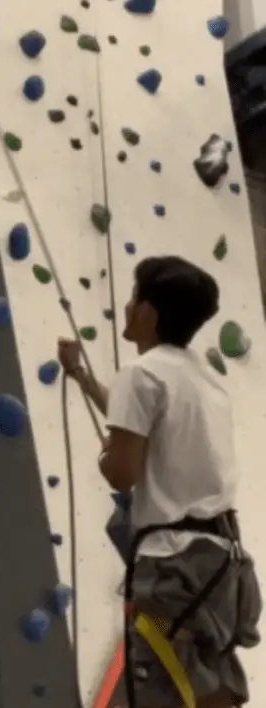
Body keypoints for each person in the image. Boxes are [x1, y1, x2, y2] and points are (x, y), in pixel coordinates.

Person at [58, 255, 261, 708]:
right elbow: (136, 420)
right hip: (223, 562)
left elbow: (122, 472)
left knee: (156, 687)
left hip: (173, 563)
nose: (127, 307)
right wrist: (82, 376)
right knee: (206, 684)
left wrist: (107, 457)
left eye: (133, 298)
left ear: (148, 311)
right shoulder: (202, 380)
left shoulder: (142, 372)